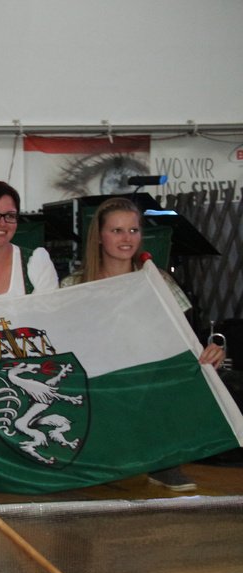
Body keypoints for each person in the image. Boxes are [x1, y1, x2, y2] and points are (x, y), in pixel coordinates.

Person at [62, 196, 225, 492]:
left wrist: (211, 351)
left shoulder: (158, 281)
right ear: (99, 237)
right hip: (97, 380)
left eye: (133, 230)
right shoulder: (73, 286)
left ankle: (164, 459)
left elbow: (184, 337)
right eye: (117, 231)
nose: (127, 239)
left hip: (146, 378)